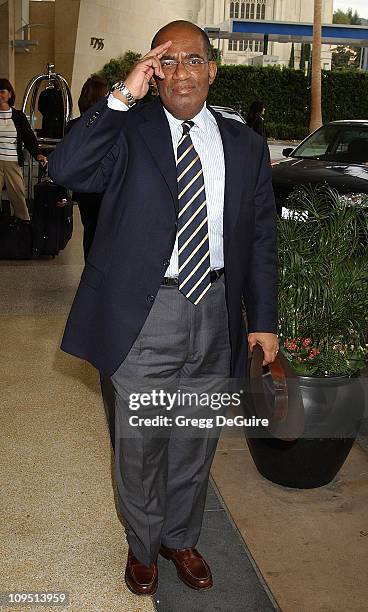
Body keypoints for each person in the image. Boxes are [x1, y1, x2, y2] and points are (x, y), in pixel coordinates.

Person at [48, 21, 278, 597]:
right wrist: (123, 95)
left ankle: (180, 538)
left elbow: (259, 239)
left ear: (212, 70)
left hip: (216, 310)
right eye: (166, 63)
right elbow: (66, 169)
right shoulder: (128, 130)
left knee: (195, 436)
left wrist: (265, 321)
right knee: (142, 437)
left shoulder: (242, 144)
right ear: (153, 70)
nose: (181, 74)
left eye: (192, 62)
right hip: (147, 313)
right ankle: (142, 544)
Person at [65, 75, 108, 259]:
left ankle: (91, 274)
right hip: (106, 188)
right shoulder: (110, 126)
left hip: (84, 190)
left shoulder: (74, 126)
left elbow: (67, 160)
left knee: (90, 229)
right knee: (104, 232)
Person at [0, 78, 47, 222]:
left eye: (2, 92)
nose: (0, 95)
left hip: (12, 162)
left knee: (18, 196)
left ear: (9, 94)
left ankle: (23, 226)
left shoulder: (18, 116)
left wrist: (38, 154)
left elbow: (29, 138)